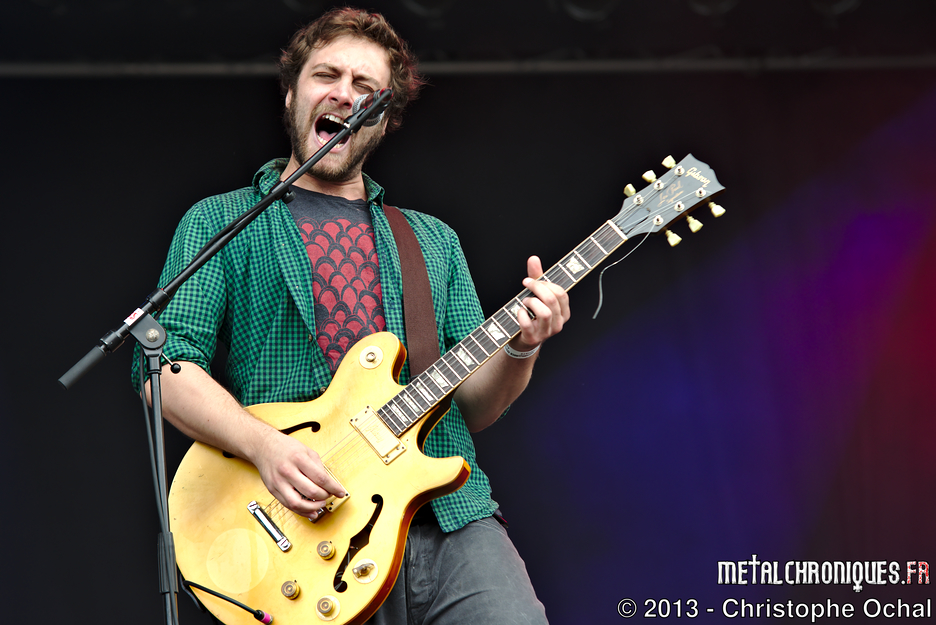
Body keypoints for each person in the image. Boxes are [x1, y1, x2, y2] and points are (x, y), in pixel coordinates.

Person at [136, 7, 569, 624]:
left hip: (449, 518)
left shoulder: (433, 241)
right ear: (292, 94)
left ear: (384, 119)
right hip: (306, 533)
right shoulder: (221, 223)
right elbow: (165, 369)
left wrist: (522, 347)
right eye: (327, 75)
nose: (344, 94)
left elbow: (473, 405)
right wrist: (265, 447)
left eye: (366, 87)